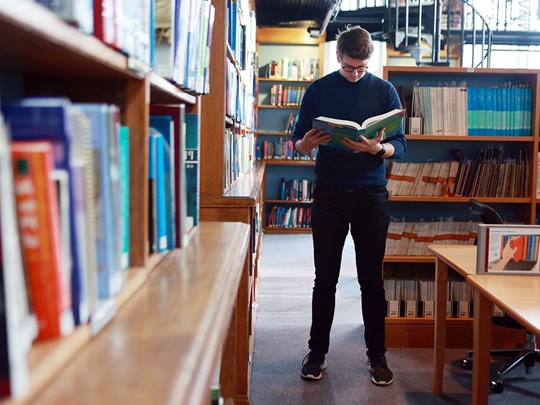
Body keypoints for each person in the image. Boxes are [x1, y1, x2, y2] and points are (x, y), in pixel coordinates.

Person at [293, 25, 407, 386]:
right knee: (324, 279)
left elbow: (400, 144)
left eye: (361, 67)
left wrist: (380, 149)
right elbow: (297, 141)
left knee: (371, 281)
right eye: (349, 67)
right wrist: (306, 144)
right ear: (338, 57)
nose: (355, 74)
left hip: (371, 197)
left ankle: (377, 356)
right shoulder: (319, 89)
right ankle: (317, 352)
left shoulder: (384, 90)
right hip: (329, 194)